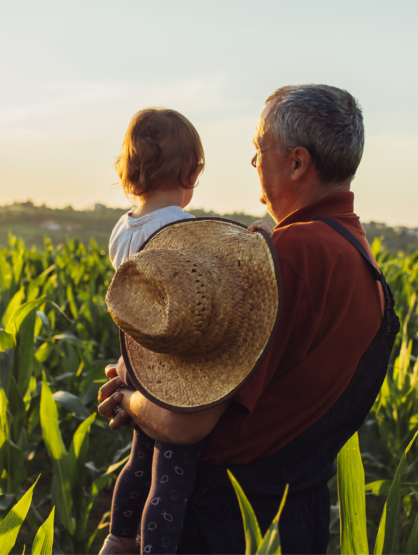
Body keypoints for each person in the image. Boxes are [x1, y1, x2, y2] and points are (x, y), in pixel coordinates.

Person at [98, 84, 400, 554]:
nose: (255, 164)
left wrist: (129, 399)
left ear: (297, 163)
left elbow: (184, 427)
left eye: (260, 150)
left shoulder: (285, 258)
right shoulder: (360, 258)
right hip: (297, 516)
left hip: (229, 520)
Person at [102, 107, 273, 555]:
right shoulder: (178, 230)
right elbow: (214, 285)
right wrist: (254, 245)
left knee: (138, 459)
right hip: (174, 371)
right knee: (171, 476)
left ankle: (118, 539)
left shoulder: (123, 229)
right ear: (192, 172)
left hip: (137, 357)